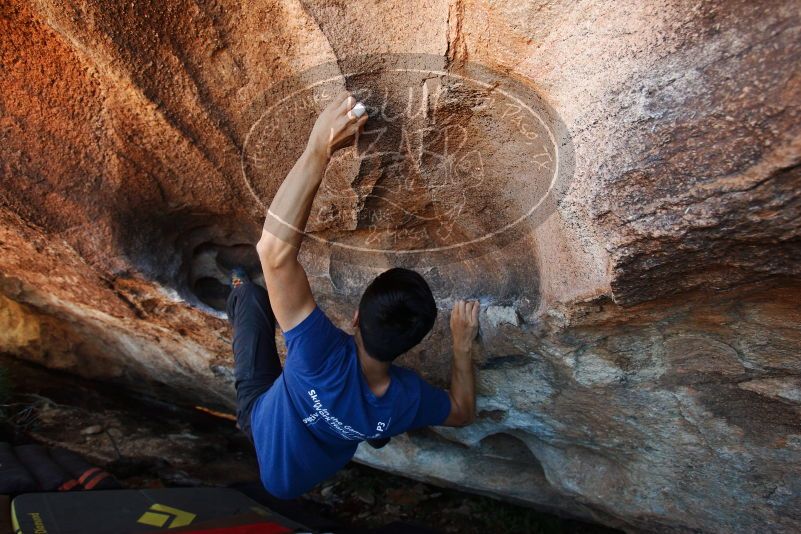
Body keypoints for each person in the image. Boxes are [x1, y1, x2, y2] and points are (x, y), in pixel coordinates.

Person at [226, 91, 480, 499]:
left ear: (356, 318)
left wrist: (319, 146)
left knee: (253, 298)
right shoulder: (406, 399)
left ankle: (236, 285)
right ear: (411, 344)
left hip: (261, 421)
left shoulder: (320, 355)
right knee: (376, 427)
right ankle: (372, 430)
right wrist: (462, 346)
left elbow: (272, 253)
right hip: (307, 468)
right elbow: (463, 412)